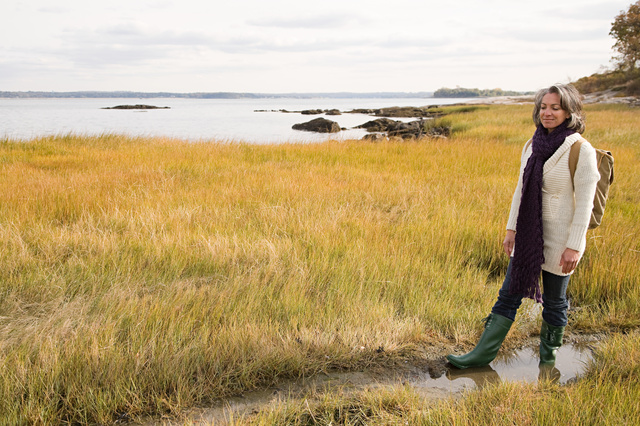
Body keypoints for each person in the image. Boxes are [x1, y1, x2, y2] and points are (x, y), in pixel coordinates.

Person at [447, 84, 600, 369]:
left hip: (561, 240)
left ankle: (548, 358)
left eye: (555, 107)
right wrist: (510, 229)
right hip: (528, 236)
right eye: (543, 107)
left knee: (555, 302)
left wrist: (574, 246)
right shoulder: (531, 145)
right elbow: (521, 189)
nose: (547, 113)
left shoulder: (581, 149)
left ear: (569, 112)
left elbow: (586, 204)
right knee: (508, 294)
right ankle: (481, 355)